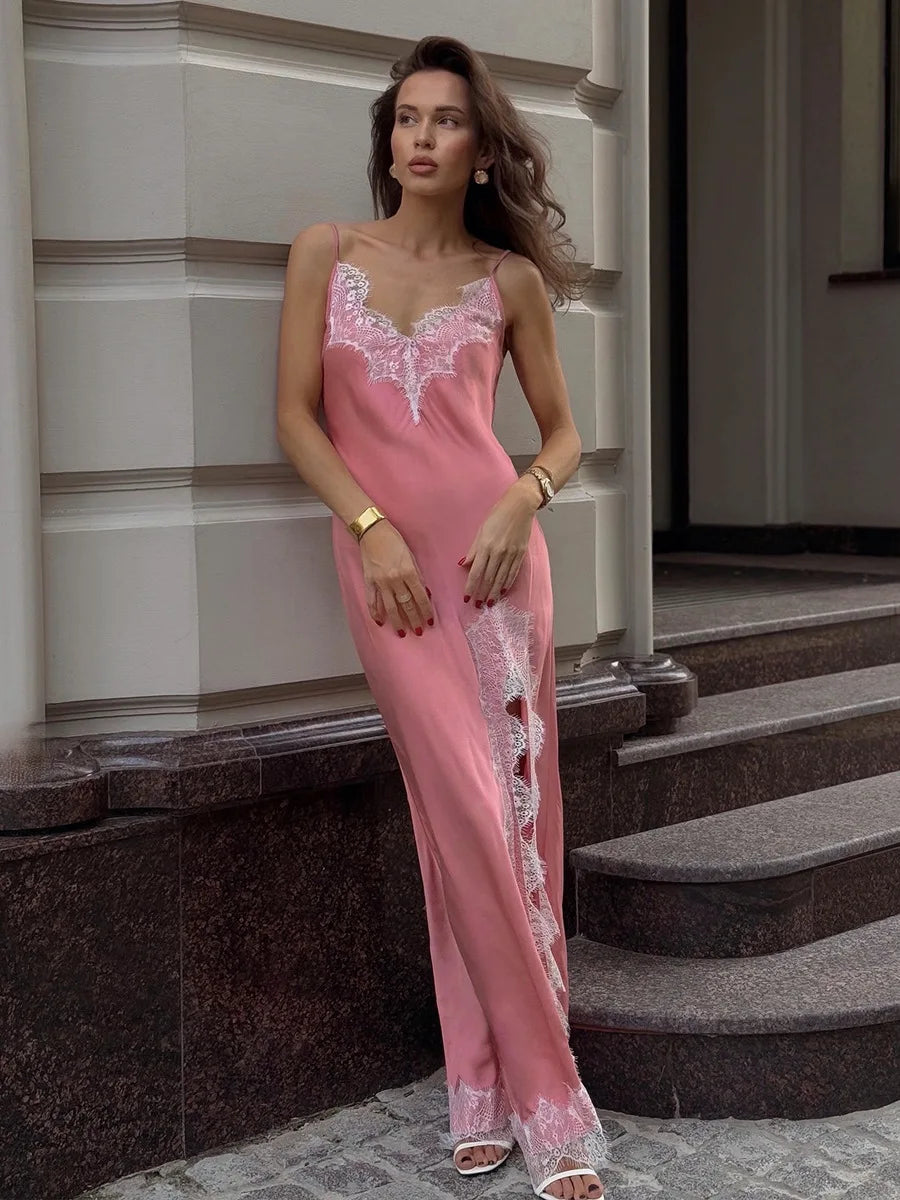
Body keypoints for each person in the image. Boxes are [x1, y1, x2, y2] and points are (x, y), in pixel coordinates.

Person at [275, 34, 607, 1200]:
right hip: (393, 576)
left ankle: (480, 1080)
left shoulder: (507, 281)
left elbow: (564, 434)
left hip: (496, 569)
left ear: (478, 151)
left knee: (510, 816)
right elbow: (299, 423)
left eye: (444, 121)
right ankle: (549, 1096)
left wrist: (525, 499)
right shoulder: (327, 252)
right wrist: (369, 531)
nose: (420, 136)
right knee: (463, 812)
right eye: (405, 118)